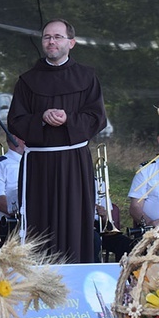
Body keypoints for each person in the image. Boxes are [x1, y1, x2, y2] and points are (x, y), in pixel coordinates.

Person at [8, 18, 107, 263]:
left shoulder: (87, 77)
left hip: (74, 163)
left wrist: (68, 119)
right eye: (47, 37)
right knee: (38, 225)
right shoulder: (27, 81)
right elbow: (15, 121)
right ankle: (38, 286)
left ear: (71, 43)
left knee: (74, 222)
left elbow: (97, 118)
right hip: (39, 166)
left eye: (57, 37)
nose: (51, 41)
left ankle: (73, 288)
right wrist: (41, 118)